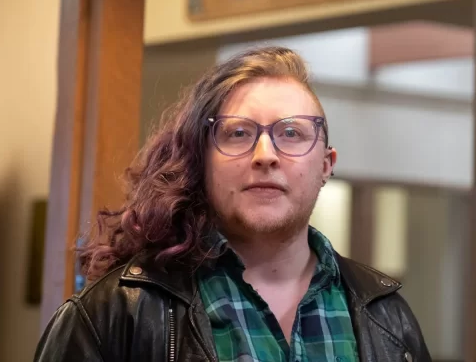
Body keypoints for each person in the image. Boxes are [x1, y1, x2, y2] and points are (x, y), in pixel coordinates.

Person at [35, 46, 430, 362]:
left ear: (326, 165)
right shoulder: (114, 313)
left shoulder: (388, 317)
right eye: (238, 133)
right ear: (201, 161)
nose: (265, 155)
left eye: (291, 133)